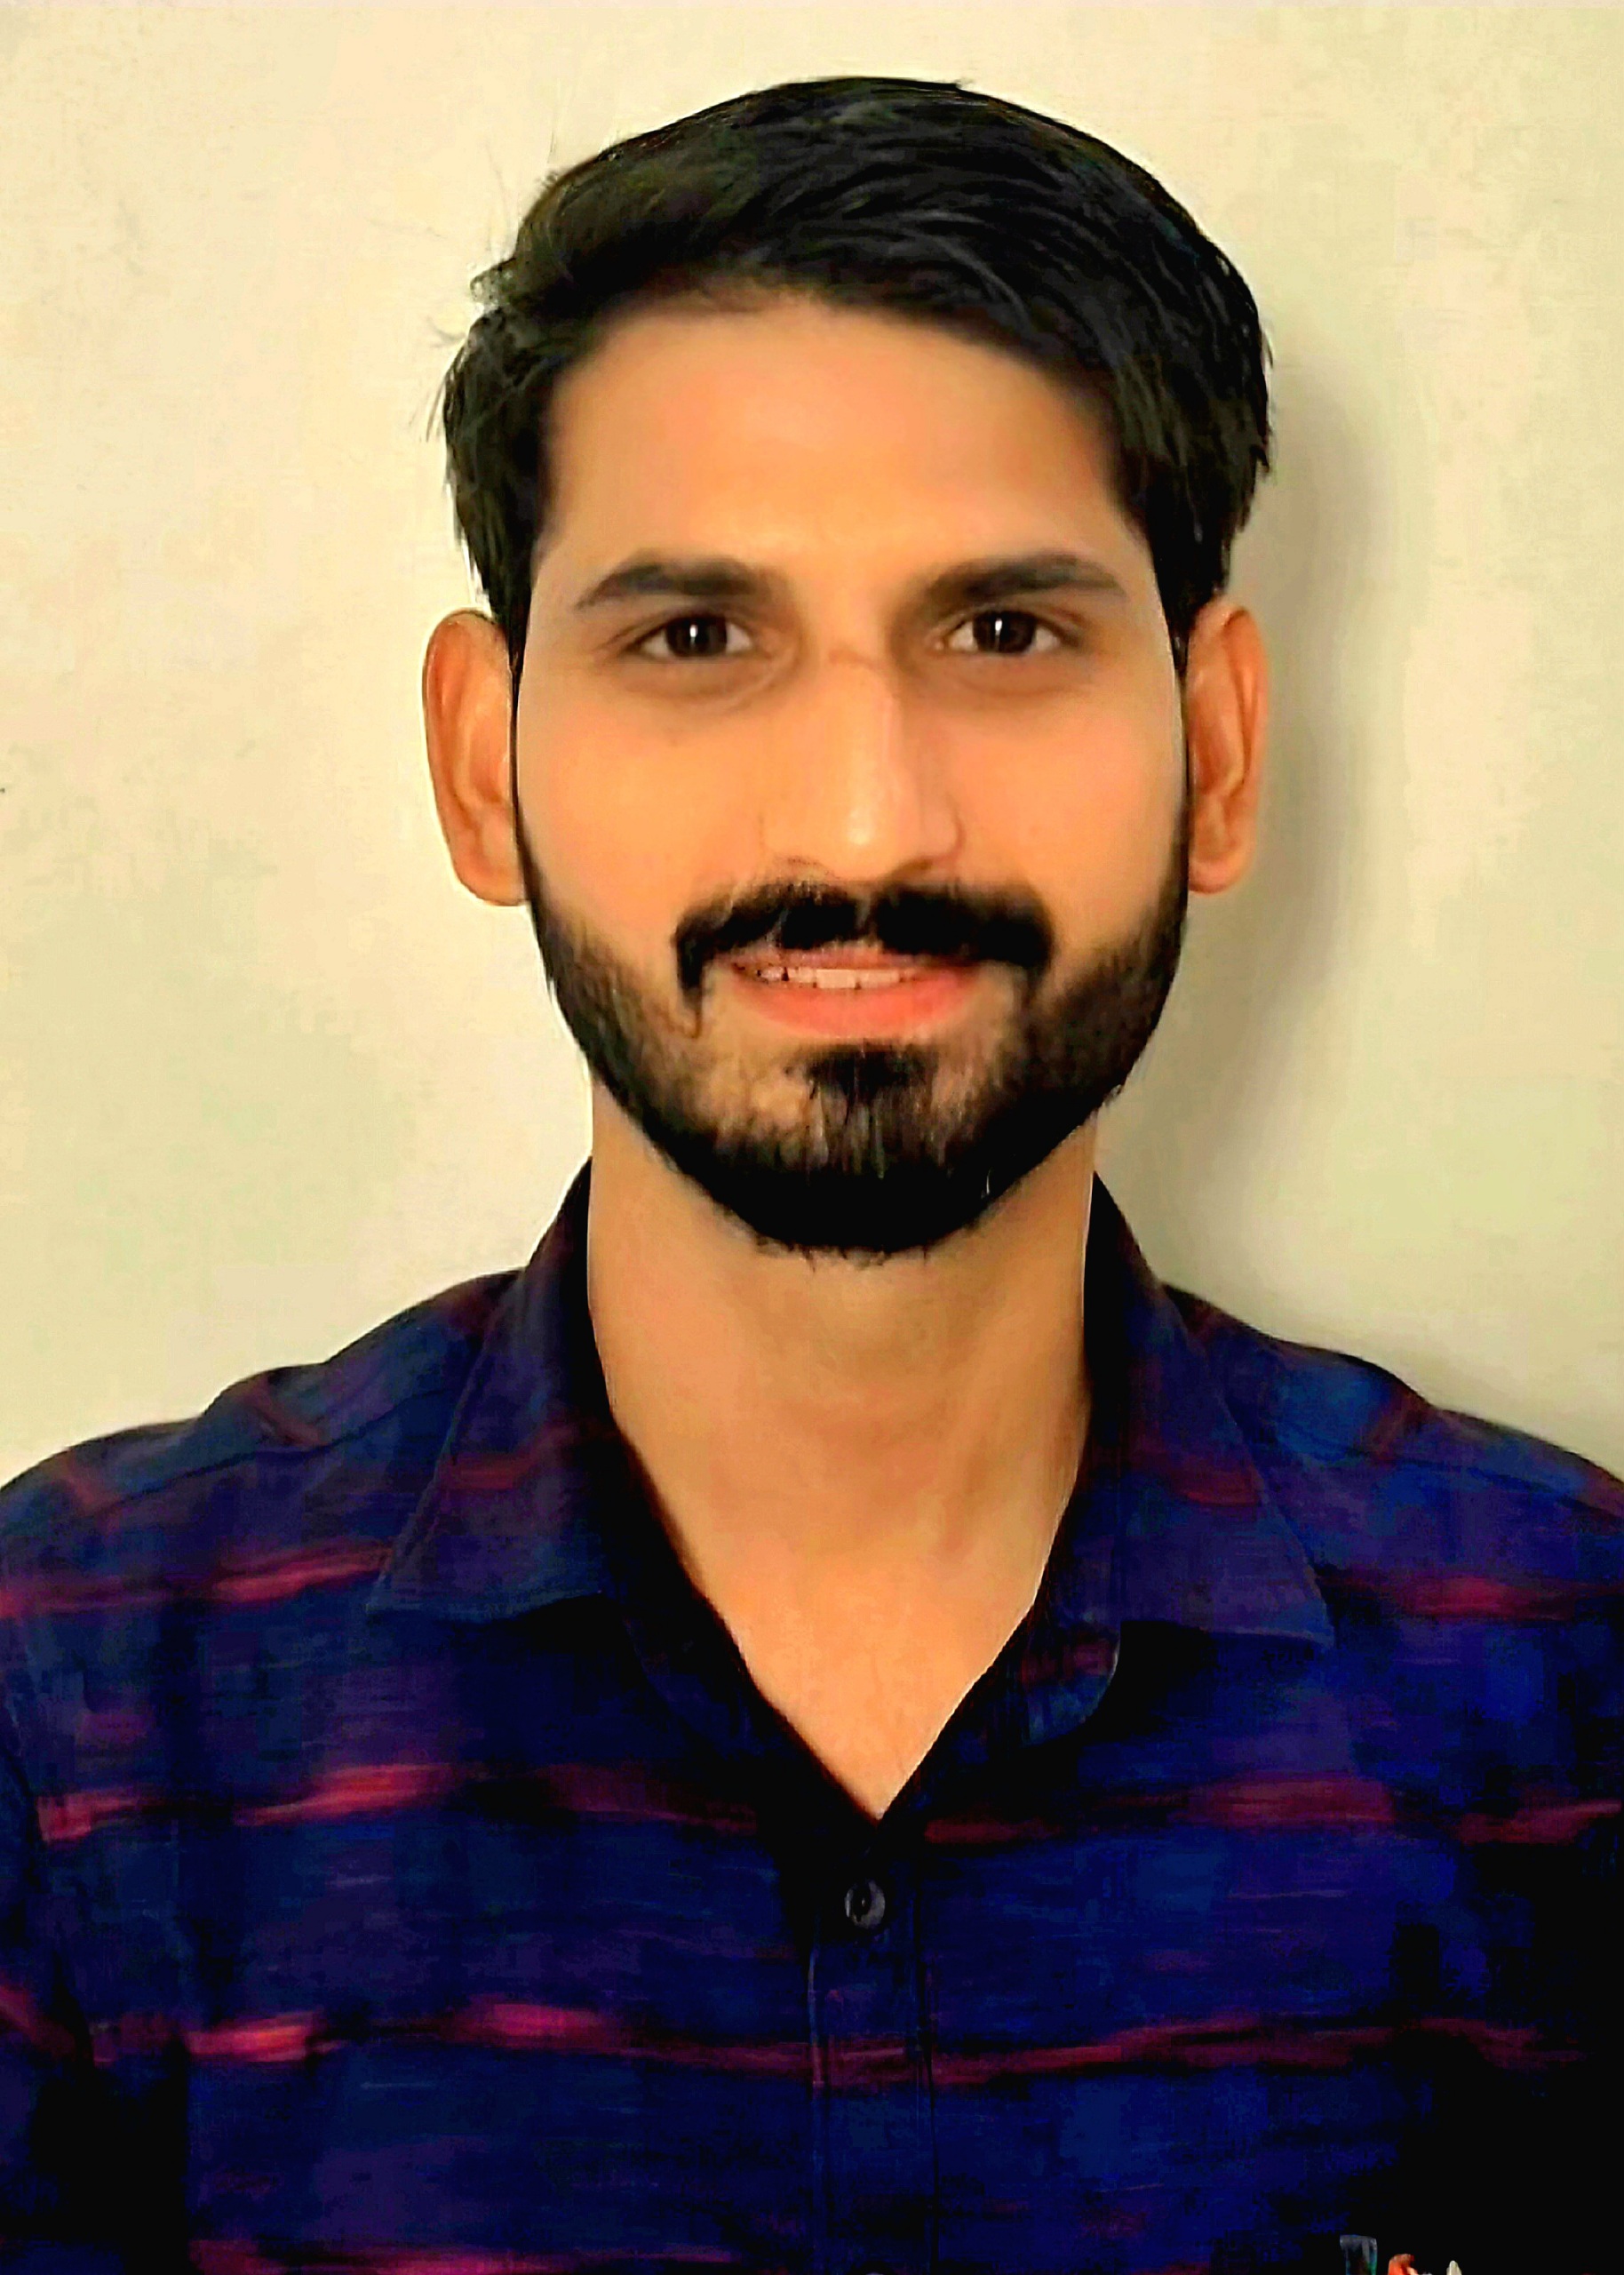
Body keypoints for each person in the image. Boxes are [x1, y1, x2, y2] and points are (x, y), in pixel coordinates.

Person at [0, 72, 1614, 2275]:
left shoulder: (1565, 1684)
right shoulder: (79, 1707)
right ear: (480, 766)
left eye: (1003, 632)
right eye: (695, 638)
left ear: (1219, 749)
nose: (863, 820)